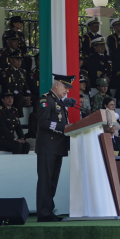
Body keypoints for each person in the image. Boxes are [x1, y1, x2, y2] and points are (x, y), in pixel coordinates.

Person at [36, 74, 76, 222]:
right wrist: (64, 127)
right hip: (47, 146)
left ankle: (48, 211)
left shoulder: (59, 101)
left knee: (52, 181)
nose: (67, 91)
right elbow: (43, 122)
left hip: (58, 147)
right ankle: (43, 213)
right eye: (65, 87)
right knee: (45, 180)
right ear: (57, 85)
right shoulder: (46, 99)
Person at [0, 90, 30, 154]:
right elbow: (3, 128)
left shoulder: (14, 111)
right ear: (2, 100)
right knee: (17, 145)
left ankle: (22, 163)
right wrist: (14, 138)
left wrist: (21, 138)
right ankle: (14, 163)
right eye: (7, 98)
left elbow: (18, 127)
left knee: (26, 145)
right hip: (1, 140)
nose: (10, 99)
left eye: (11, 97)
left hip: (10, 140)